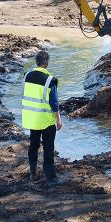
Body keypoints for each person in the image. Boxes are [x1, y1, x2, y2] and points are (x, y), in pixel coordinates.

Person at [21, 51, 63, 184]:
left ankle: (32, 174)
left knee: (33, 146)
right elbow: (54, 102)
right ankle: (51, 178)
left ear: (36, 62)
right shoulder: (50, 80)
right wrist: (58, 119)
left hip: (32, 119)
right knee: (48, 148)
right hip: (46, 121)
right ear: (47, 63)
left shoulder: (27, 76)